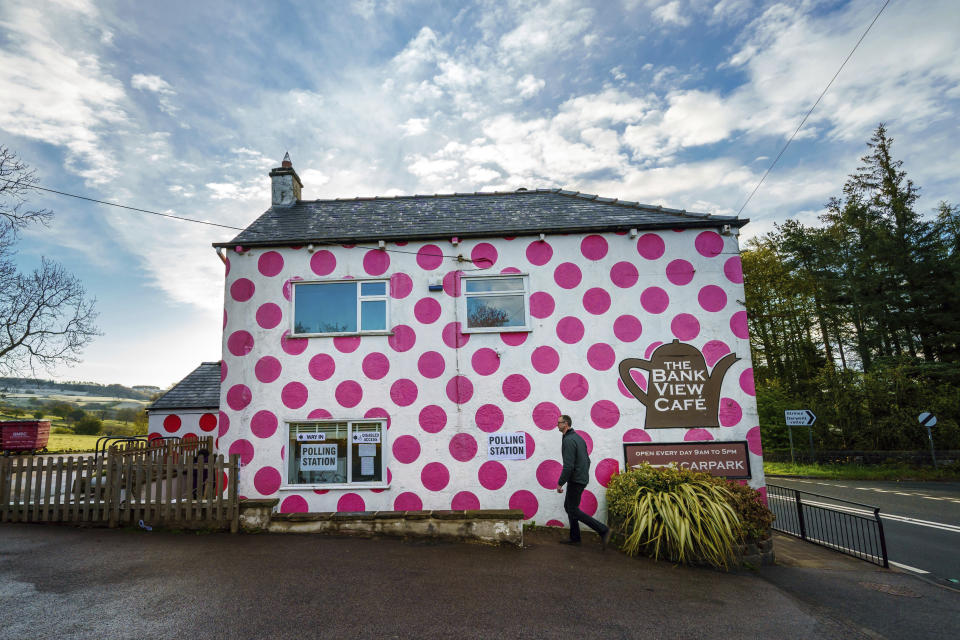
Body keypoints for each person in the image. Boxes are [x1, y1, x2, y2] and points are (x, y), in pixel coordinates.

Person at [556, 414, 612, 549]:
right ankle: (575, 537)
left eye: (559, 423)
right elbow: (587, 460)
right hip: (580, 478)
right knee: (569, 507)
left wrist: (560, 483)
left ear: (566, 424)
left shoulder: (569, 440)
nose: (557, 425)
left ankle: (603, 530)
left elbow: (568, 465)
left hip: (576, 479)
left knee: (573, 510)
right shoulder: (578, 438)